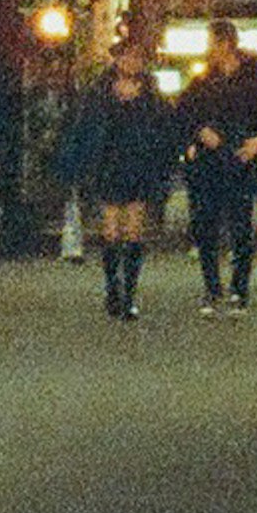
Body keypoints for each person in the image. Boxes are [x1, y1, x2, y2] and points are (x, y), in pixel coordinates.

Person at [75, 49, 175, 318]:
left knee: (133, 230)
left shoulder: (152, 96)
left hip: (139, 167)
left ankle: (129, 293)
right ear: (117, 61)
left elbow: (164, 129)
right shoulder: (100, 92)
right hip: (108, 166)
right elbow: (88, 127)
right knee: (110, 231)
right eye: (126, 58)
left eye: (136, 58)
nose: (131, 63)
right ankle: (112, 287)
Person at [183, 43, 257, 304]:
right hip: (209, 163)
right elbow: (183, 113)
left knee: (241, 227)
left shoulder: (255, 80)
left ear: (225, 44)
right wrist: (198, 133)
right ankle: (212, 287)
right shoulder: (204, 81)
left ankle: (240, 287)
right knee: (206, 226)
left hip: (242, 162)